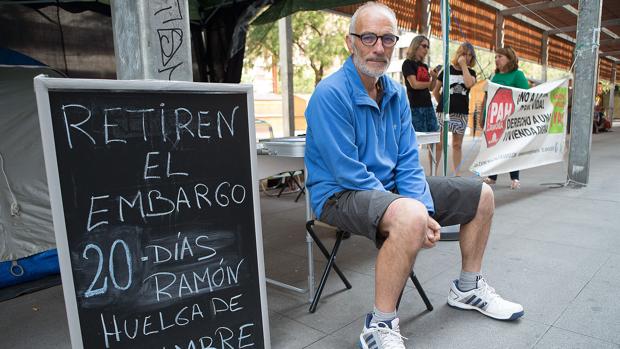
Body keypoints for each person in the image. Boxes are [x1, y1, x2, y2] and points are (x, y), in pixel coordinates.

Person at [304, 3, 524, 348]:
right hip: (338, 195)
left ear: (395, 43)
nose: (378, 47)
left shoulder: (395, 94)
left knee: (482, 195)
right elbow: (348, 172)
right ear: (351, 42)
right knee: (410, 214)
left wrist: (421, 207)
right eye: (368, 37)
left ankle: (468, 287)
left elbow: (408, 160)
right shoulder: (329, 94)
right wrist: (414, 213)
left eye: (388, 39)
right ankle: (379, 326)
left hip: (388, 191)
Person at [482, 46, 530, 190]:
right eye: (495, 57)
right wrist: (484, 116)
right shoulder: (494, 76)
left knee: (511, 149)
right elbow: (488, 97)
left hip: (511, 119)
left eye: (500, 57)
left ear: (510, 59)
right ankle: (492, 176)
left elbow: (526, 97)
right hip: (494, 118)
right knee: (493, 147)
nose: (496, 59)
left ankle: (515, 178)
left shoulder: (518, 75)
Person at [432, 42, 477, 176]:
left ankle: (457, 174)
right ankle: (433, 172)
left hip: (461, 112)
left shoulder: (471, 72)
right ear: (458, 53)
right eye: (464, 54)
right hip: (443, 111)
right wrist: (444, 105)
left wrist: (464, 66)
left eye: (469, 55)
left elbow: (469, 84)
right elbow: (436, 91)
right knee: (439, 143)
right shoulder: (446, 69)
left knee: (457, 144)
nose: (466, 57)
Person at [402, 34, 439, 172]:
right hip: (415, 108)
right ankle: (413, 170)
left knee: (434, 139)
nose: (426, 49)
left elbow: (430, 88)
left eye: (428, 47)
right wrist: (430, 81)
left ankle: (432, 172)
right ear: (415, 45)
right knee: (415, 142)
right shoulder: (407, 64)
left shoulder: (424, 65)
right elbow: (415, 84)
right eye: (424, 46)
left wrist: (434, 78)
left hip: (428, 106)